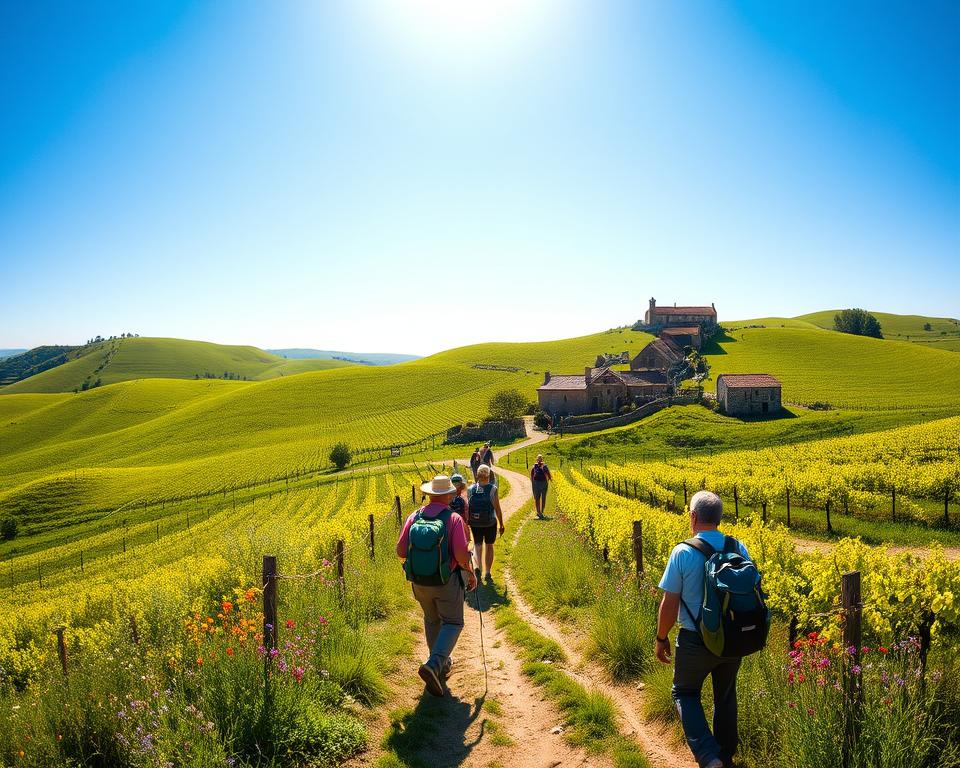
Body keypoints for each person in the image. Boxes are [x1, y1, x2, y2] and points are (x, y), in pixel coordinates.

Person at [654, 491, 751, 768]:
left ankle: (709, 757)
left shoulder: (682, 551)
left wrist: (661, 638)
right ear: (719, 519)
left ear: (693, 517)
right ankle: (726, 756)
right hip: (733, 639)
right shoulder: (738, 547)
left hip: (695, 640)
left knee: (684, 693)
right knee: (725, 695)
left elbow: (669, 604)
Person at [397, 475, 478, 697]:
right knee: (453, 622)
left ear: (430, 493)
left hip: (419, 582)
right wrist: (470, 572)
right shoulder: (453, 519)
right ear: (450, 495)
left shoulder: (414, 516)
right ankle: (434, 665)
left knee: (432, 619)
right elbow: (462, 555)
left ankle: (438, 666)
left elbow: (401, 551)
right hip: (445, 581)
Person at [466, 464, 504, 582]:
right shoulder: (493, 489)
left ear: (477, 475)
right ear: (488, 475)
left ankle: (478, 567)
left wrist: (468, 522)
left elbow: (468, 508)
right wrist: (501, 524)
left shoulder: (470, 489)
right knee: (489, 545)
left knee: (477, 545)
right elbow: (497, 508)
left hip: (475, 523)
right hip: (489, 522)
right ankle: (487, 572)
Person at [530, 454, 552, 519]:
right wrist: (548, 480)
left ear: (537, 460)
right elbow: (549, 475)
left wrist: (533, 484)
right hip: (544, 484)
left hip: (536, 484)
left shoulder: (534, 466)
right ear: (542, 459)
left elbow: (532, 476)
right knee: (543, 497)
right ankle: (541, 512)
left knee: (537, 498)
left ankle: (538, 512)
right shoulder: (545, 466)